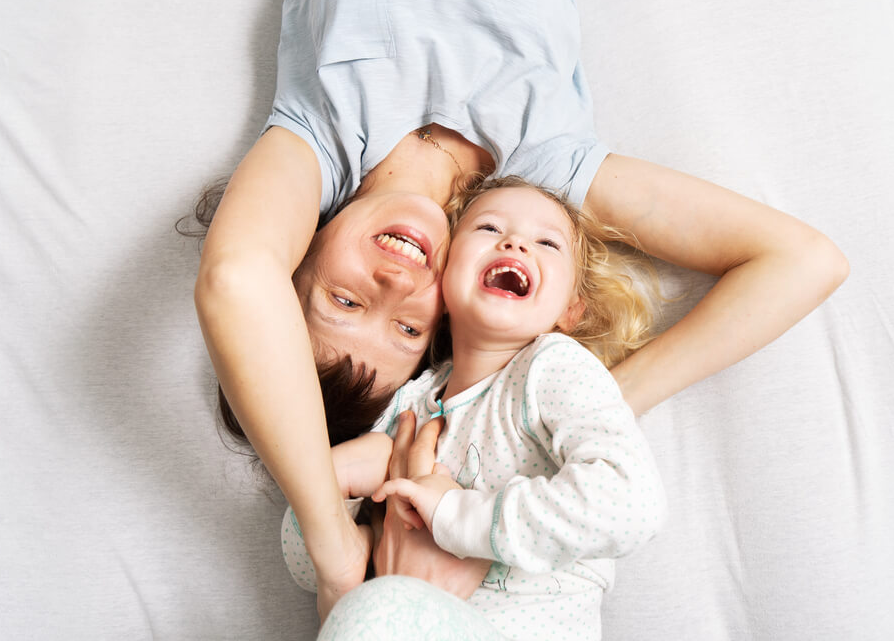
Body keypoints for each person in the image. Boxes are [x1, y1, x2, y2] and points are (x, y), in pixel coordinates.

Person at [192, 0, 849, 621]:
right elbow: (804, 260)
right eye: (407, 326)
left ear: (297, 249)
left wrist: (334, 547)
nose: (395, 279)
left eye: (343, 298)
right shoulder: (540, 188)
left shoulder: (318, 131)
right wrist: (602, 399)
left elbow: (236, 278)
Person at [282, 177, 667, 640]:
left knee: (375, 608)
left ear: (570, 310)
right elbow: (310, 568)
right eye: (487, 228)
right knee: (367, 609)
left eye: (547, 242)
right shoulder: (408, 408)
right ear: (441, 284)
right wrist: (335, 476)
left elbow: (630, 502)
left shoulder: (552, 368)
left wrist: (458, 517)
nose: (516, 243)